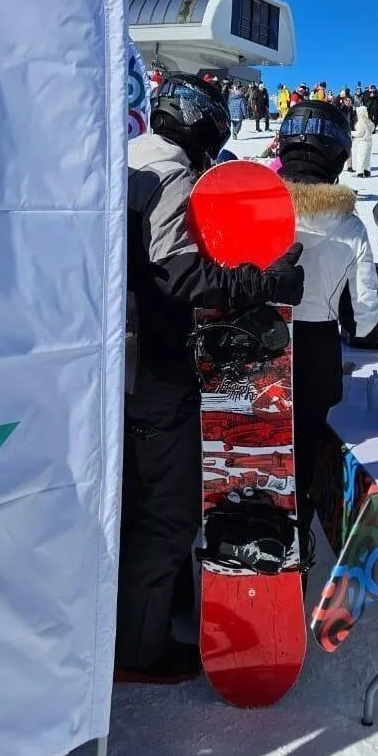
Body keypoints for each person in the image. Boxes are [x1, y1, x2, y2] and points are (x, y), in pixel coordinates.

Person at [121, 75, 305, 682]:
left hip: (120, 366)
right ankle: (140, 648)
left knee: (137, 503)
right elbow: (179, 276)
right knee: (167, 510)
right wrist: (264, 280)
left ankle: (148, 613)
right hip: (155, 369)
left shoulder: (126, 161)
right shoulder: (169, 175)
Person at [274, 99, 378, 559]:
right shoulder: (350, 224)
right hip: (316, 344)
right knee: (305, 445)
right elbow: (366, 309)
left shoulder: (255, 204)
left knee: (253, 444)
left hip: (257, 338)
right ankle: (294, 544)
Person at [349, 100, 375, 177]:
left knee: (361, 157)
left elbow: (360, 133)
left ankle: (359, 173)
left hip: (363, 141)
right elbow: (373, 128)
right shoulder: (368, 120)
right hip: (369, 141)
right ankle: (367, 171)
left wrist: (351, 132)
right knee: (367, 157)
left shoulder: (361, 121)